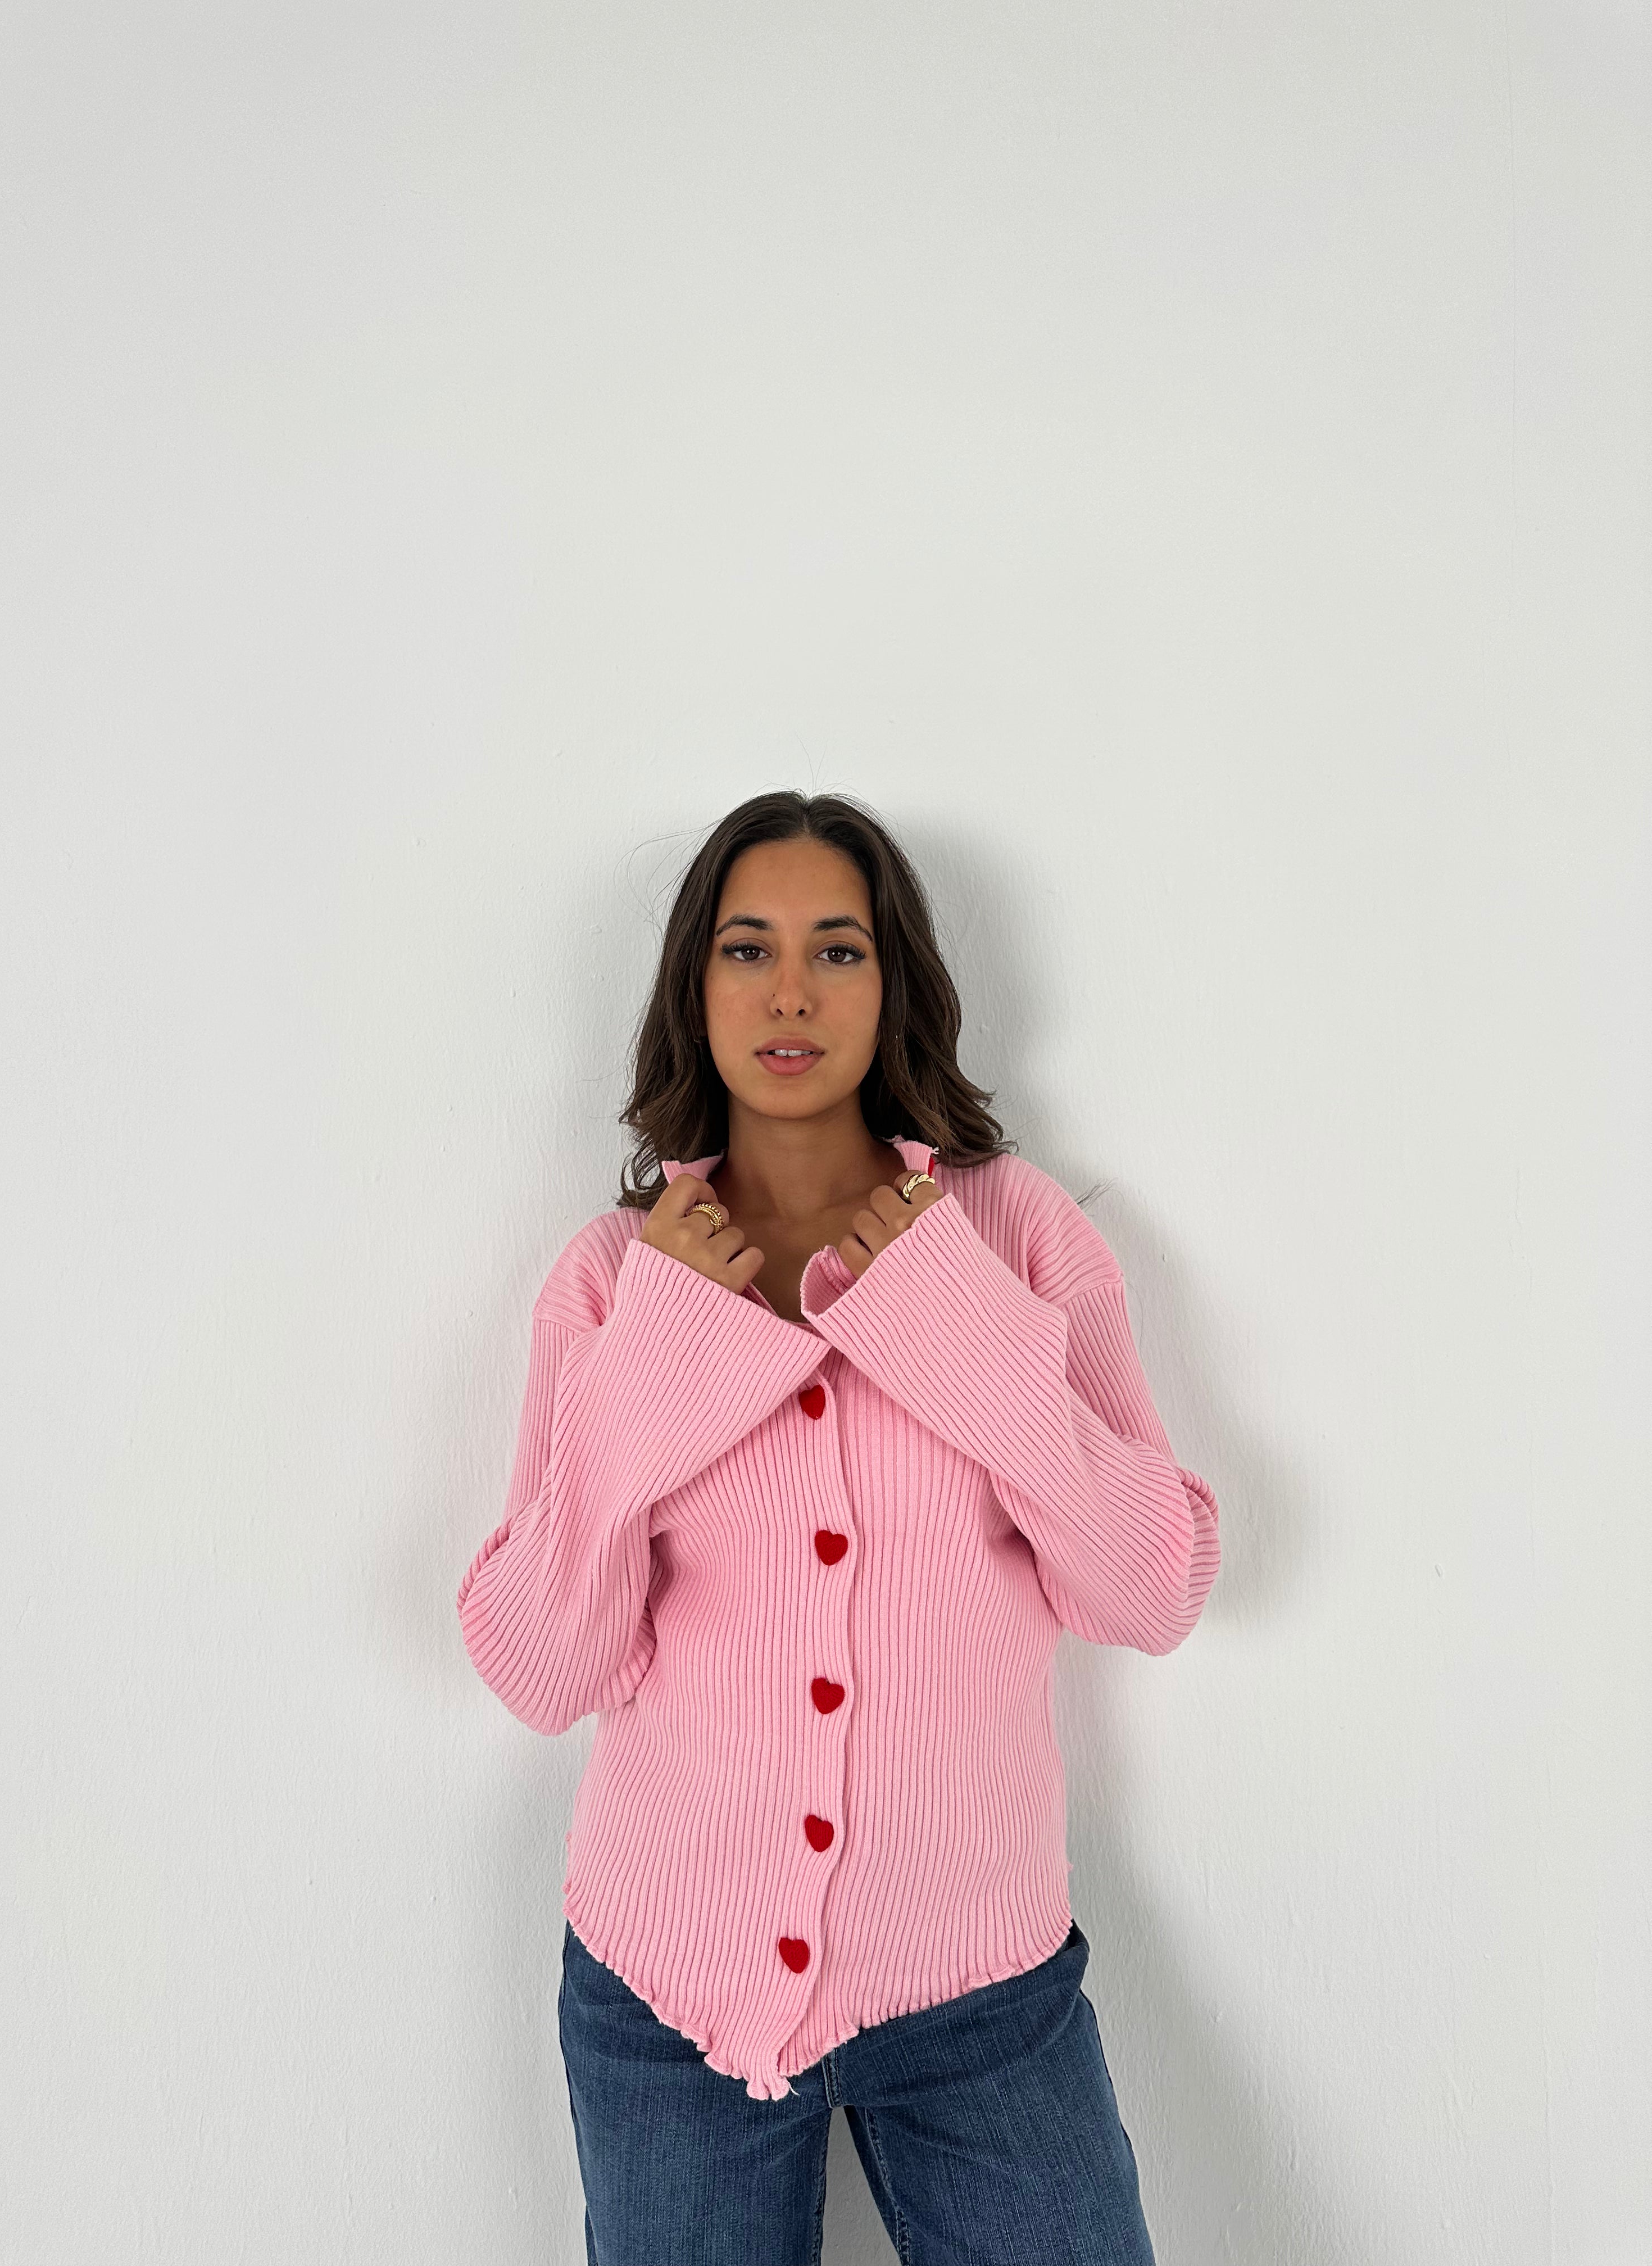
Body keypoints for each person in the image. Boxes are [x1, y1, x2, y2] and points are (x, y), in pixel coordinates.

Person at [457, 789, 1220, 2264]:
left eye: (838, 951)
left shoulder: (1018, 1235)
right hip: (667, 1993)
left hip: (982, 1992)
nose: (791, 990)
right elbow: (544, 1669)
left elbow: (1151, 1588)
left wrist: (964, 1335)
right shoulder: (614, 1280)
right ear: (694, 987)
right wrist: (653, 1369)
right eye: (747, 949)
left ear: (899, 986)